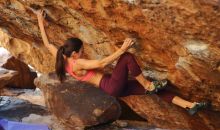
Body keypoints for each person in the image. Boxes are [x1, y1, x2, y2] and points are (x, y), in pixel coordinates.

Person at [33, 10, 209, 115]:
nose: (84, 52)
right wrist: (121, 50)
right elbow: (101, 63)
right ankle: (148, 84)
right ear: (74, 54)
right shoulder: (78, 64)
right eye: (81, 51)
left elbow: (47, 43)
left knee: (158, 90)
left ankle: (189, 106)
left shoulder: (62, 57)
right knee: (126, 59)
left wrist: (40, 20)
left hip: (114, 87)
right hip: (110, 85)